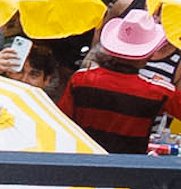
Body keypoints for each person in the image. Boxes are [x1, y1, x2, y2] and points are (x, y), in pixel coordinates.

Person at [59, 8, 172, 152]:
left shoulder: (81, 79)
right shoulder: (159, 90)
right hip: (131, 166)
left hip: (83, 157)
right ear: (147, 53)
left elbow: (62, 120)